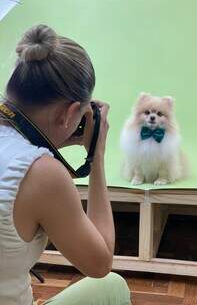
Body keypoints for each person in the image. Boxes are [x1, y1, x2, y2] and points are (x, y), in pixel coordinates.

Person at [0, 24, 131, 305]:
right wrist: (97, 157)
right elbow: (99, 263)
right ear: (71, 112)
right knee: (112, 286)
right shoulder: (42, 174)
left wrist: (49, 140)